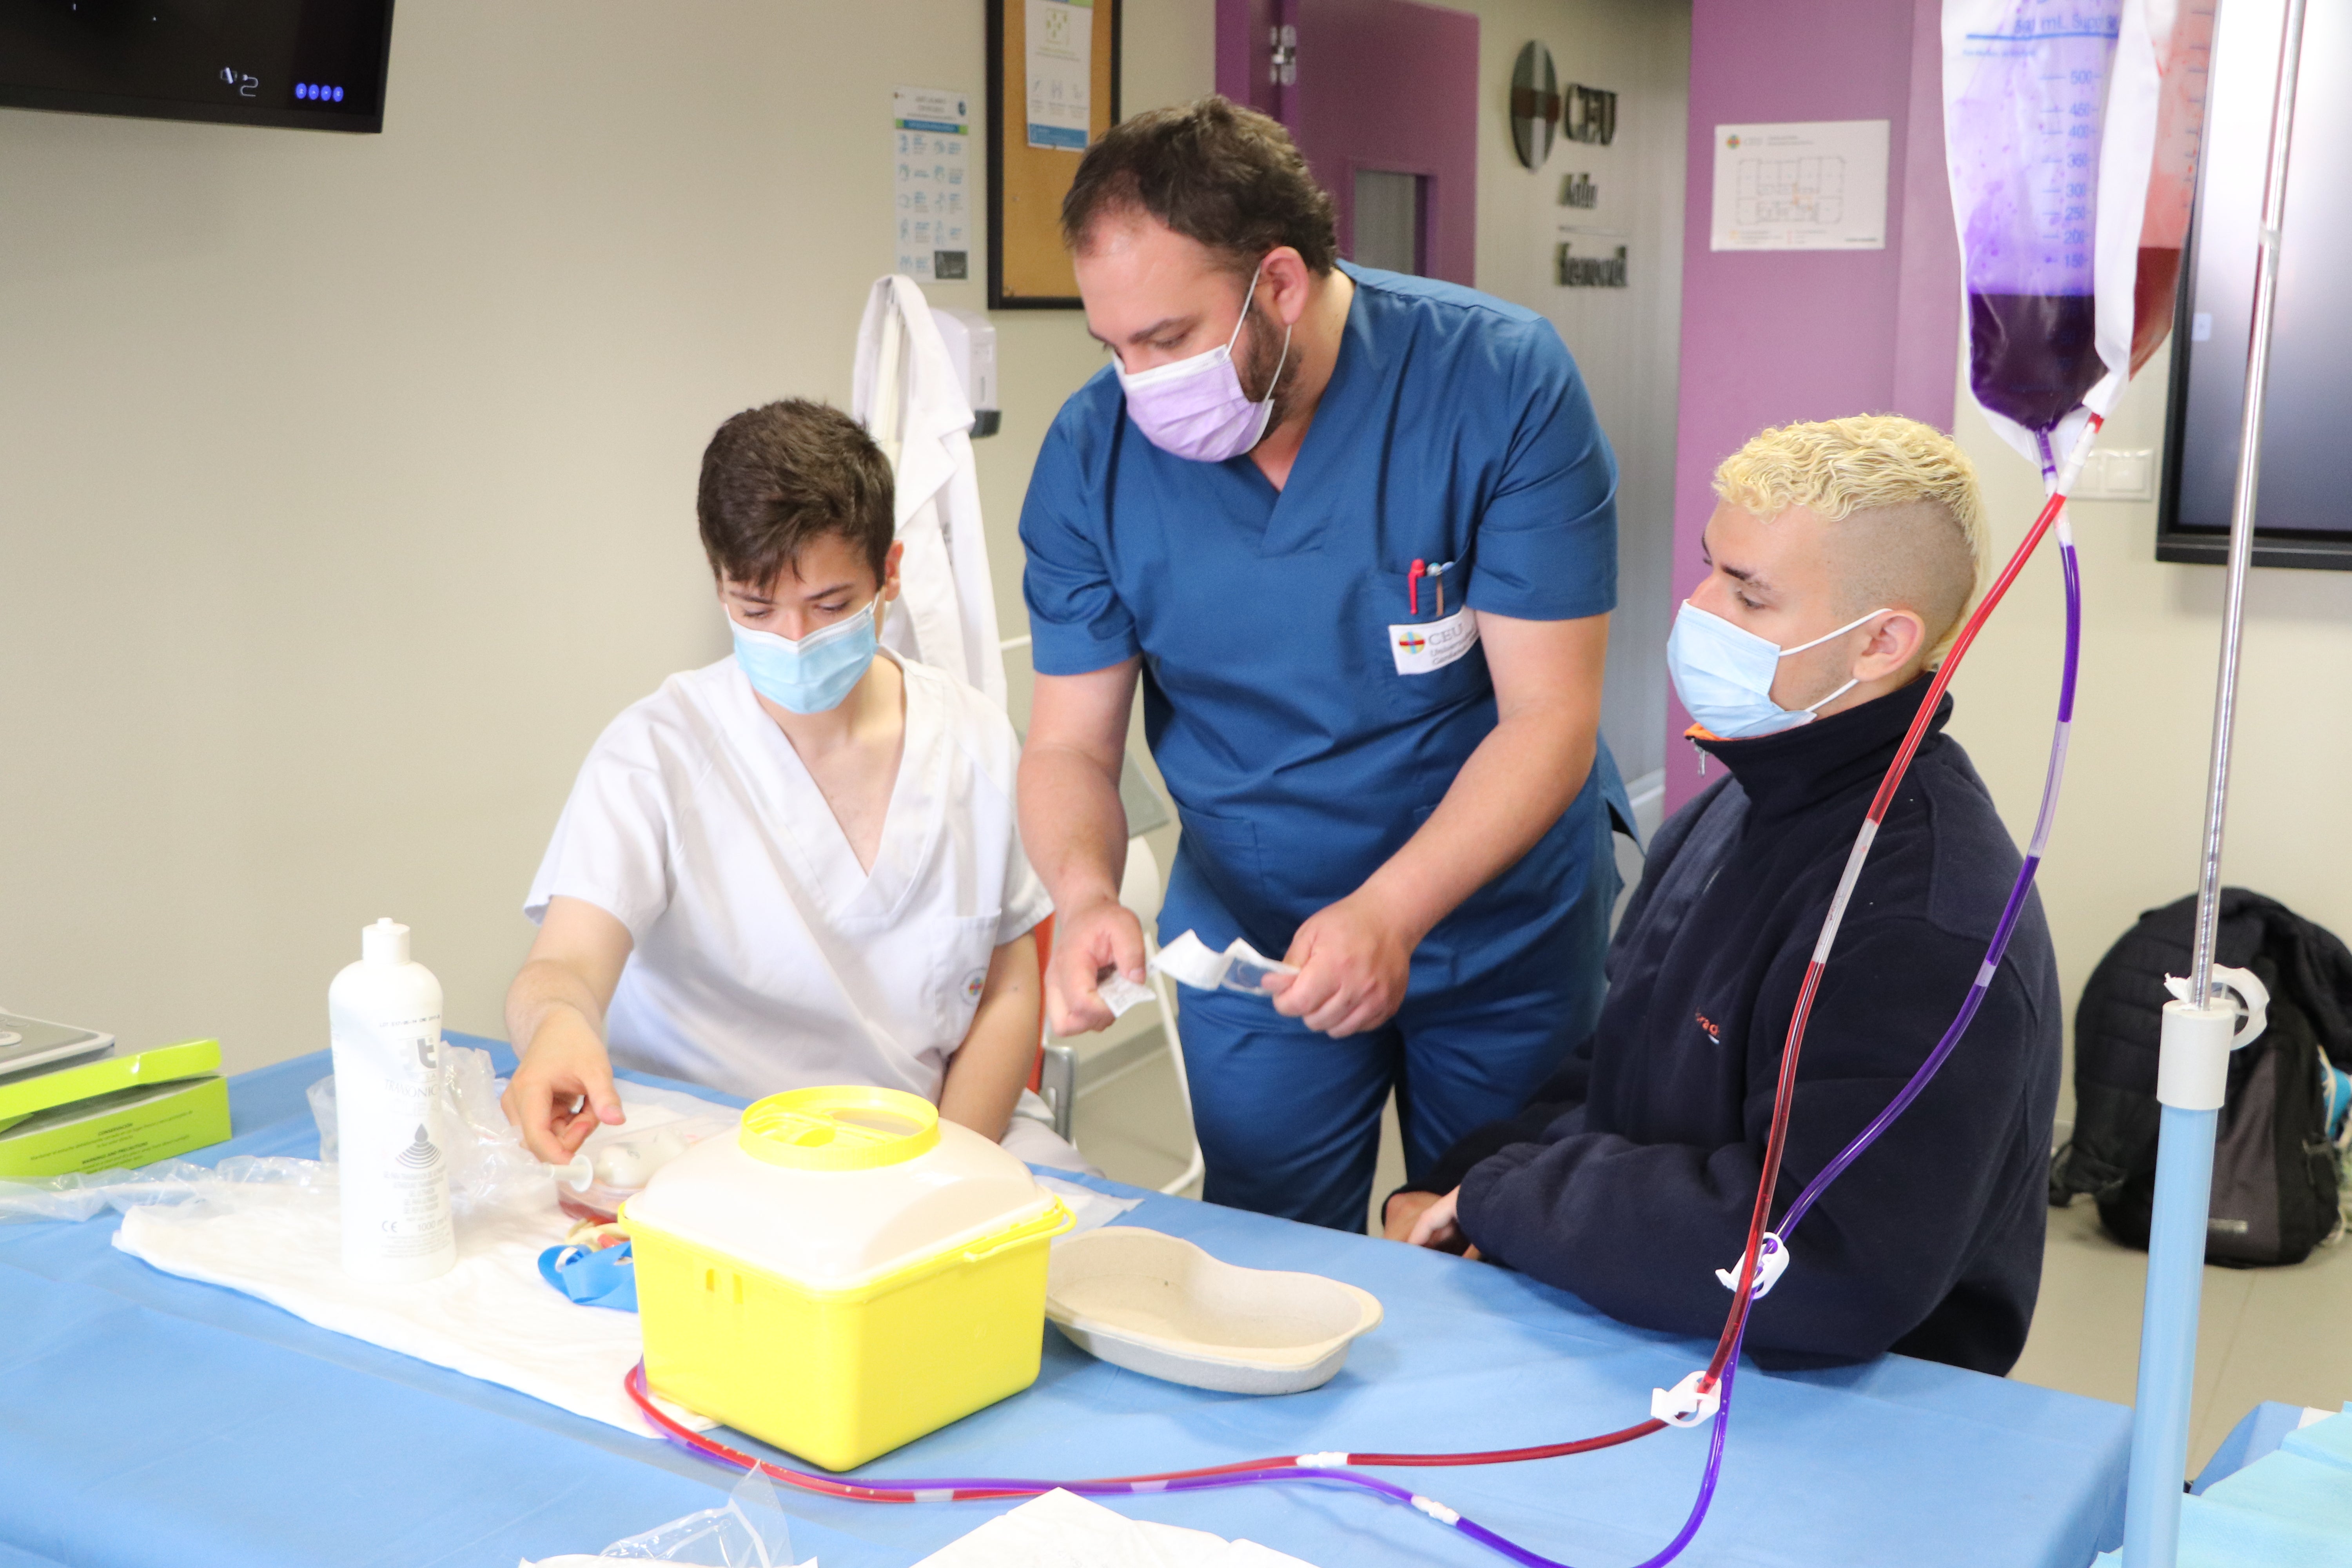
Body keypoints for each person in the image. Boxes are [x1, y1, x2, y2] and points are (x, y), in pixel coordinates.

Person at [1016, 97, 1632, 1232]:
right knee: (1270, 1258)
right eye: (1111, 346)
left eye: (1165, 340)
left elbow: (1550, 720)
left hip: (1500, 926)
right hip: (1257, 925)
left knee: (1502, 1246)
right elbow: (1067, 743)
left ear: (1281, 284)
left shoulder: (1498, 386)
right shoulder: (1090, 456)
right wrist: (1086, 890)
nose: (1139, 384)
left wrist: (1394, 909)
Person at [1386, 416, 2060, 1376]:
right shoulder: (1733, 811)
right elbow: (1608, 1071)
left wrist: (1507, 1197)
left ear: (1881, 641)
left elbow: (1830, 1258)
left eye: (1748, 593)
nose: (1697, 608)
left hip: (1827, 1401)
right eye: (1710, 568)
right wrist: (1451, 1188)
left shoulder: (1921, 917)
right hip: (1648, 1327)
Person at [501, 400, 1078, 1169]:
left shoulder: (972, 739)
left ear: (890, 574)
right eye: (758, 607)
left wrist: (942, 1173)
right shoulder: (655, 753)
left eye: (831, 605)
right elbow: (563, 965)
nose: (795, 640)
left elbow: (1008, 989)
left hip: (931, 1138)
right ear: (721, 589)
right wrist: (557, 1026)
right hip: (711, 1152)